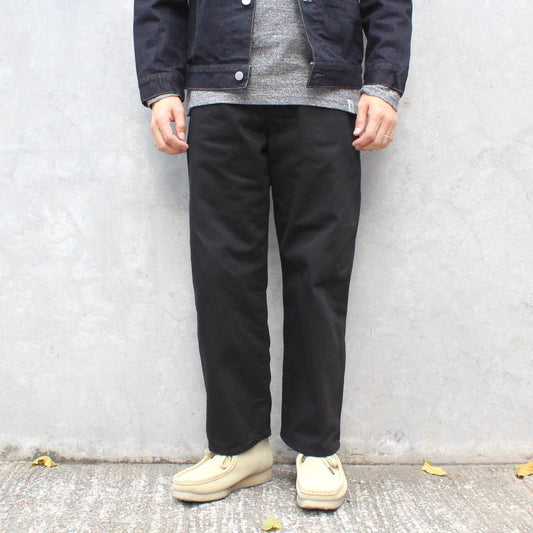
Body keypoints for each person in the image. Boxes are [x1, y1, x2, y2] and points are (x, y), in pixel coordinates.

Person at [134, 0, 412, 511]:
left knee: (319, 275)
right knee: (222, 276)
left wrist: (383, 85)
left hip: (325, 95)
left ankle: (317, 447)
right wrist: (162, 85)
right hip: (218, 93)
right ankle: (239, 446)